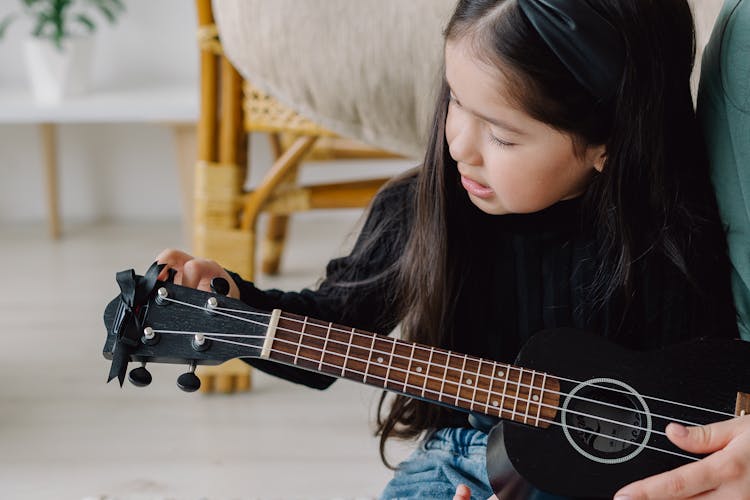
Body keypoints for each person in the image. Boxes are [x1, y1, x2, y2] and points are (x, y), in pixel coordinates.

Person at [156, 0, 745, 498]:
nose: (460, 144)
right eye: (456, 101)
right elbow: (331, 321)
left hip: (637, 469)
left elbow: (708, 382)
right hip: (467, 456)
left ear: (607, 142)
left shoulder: (675, 225)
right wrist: (235, 304)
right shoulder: (421, 209)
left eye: (502, 134)